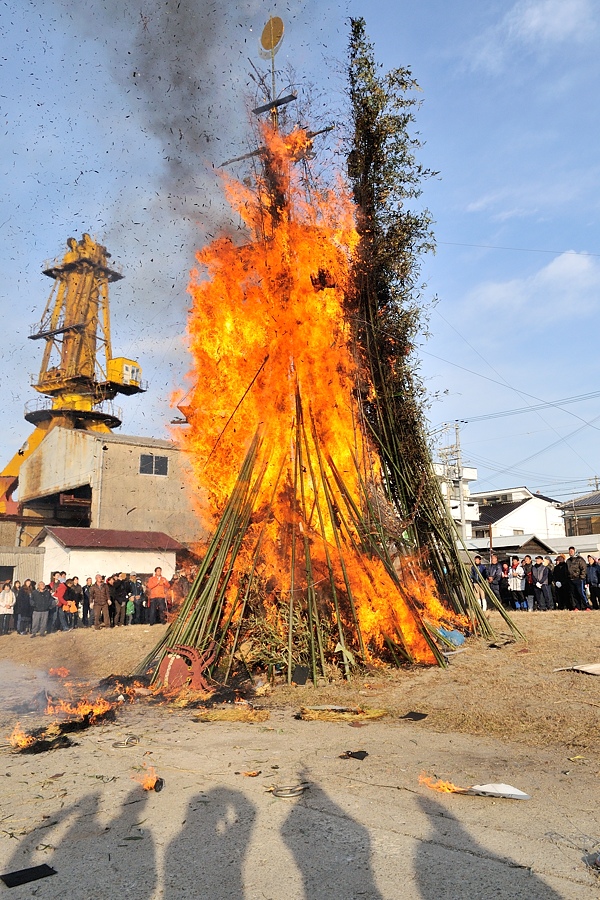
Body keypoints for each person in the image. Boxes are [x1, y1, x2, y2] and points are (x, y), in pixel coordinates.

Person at [565, 546, 588, 611]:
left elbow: (583, 568)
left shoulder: (579, 559)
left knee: (581, 593)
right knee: (574, 594)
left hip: (579, 579)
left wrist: (581, 577)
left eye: (572, 551)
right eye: (570, 551)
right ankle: (577, 607)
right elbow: (567, 570)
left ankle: (586, 606)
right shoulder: (568, 561)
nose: (570, 552)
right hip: (571, 579)